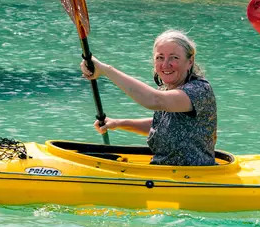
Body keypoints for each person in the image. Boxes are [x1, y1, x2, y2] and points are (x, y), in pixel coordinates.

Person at [80, 30, 218, 166]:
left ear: (190, 61)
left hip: (191, 178)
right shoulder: (166, 89)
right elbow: (163, 125)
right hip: (164, 172)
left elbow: (154, 100)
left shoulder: (199, 90)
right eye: (160, 57)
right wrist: (119, 123)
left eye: (174, 57)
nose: (165, 64)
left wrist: (106, 70)